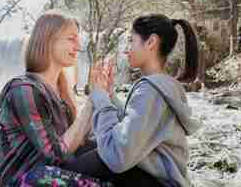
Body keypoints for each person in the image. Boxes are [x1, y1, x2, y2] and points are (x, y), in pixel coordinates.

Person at [63, 14, 202, 187]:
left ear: (151, 42)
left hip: (158, 183)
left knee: (68, 170)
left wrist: (101, 99)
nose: (126, 49)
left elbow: (117, 156)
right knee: (85, 150)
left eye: (131, 41)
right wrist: (110, 96)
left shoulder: (150, 90)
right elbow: (136, 130)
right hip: (158, 179)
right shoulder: (164, 85)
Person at [0, 11, 112, 187]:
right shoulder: (25, 90)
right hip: (18, 179)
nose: (78, 46)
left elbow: (78, 140)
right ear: (48, 40)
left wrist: (105, 96)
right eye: (71, 38)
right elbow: (57, 154)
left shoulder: (62, 89)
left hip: (49, 170)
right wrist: (92, 101)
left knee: (114, 157)